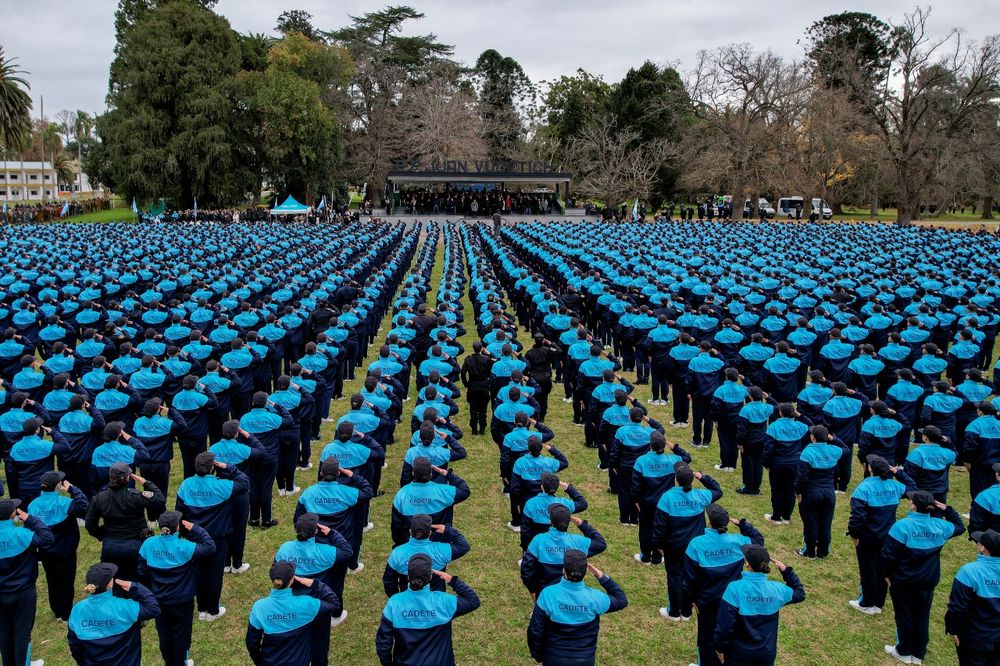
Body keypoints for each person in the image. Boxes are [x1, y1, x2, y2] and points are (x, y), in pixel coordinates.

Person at [880, 490, 965, 664]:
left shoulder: (902, 526)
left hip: (903, 580)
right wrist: (948, 510)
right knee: (922, 615)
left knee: (904, 615)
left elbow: (888, 556)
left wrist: (886, 575)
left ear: (913, 505)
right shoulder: (940, 526)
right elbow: (960, 526)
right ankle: (918, 653)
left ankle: (903, 651)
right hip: (927, 579)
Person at [683, 505, 764, 666]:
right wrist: (742, 524)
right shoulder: (739, 541)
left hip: (707, 601)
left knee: (706, 637)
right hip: (732, 601)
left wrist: (691, 600)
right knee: (728, 633)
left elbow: (689, 578)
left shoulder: (697, 544)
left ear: (709, 522)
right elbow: (758, 541)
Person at [175, 451, 249, 622]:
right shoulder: (221, 486)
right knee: (215, 575)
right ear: (212, 467)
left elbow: (179, 512)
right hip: (217, 538)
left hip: (195, 538)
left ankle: (202, 609)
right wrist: (228, 467)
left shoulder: (186, 485)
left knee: (199, 573)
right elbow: (244, 482)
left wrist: (184, 534)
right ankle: (213, 610)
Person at [137, 511, 216, 666]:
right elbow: (210, 546)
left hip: (159, 599)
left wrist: (150, 590)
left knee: (164, 634)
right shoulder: (184, 546)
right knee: (182, 635)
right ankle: (180, 662)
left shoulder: (148, 544)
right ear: (177, 528)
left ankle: (169, 661)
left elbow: (141, 570)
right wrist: (195, 528)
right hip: (182, 601)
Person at [375, 553, 480, 666]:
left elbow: (383, 643)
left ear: (408, 577)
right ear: (430, 577)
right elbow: (473, 601)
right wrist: (451, 580)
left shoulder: (394, 603)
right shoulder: (444, 601)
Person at [526, 550, 628, 666]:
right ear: (586, 571)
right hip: (584, 660)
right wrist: (600, 576)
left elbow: (535, 630)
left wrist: (539, 656)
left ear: (563, 570)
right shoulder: (595, 597)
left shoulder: (548, 595)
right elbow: (621, 599)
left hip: (553, 657)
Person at [713, 544, 805, 666]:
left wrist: (719, 648)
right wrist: (786, 571)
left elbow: (725, 626)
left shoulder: (734, 589)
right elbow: (800, 593)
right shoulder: (778, 590)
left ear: (747, 564)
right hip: (766, 653)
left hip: (738, 654)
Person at [652, 463, 722, 621]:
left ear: (676, 479)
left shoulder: (667, 498)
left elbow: (659, 526)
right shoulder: (700, 496)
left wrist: (658, 546)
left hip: (674, 546)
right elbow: (718, 490)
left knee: (675, 578)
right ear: (692, 479)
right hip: (695, 547)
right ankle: (687, 611)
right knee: (691, 578)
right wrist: (704, 477)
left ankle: (674, 612)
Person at [846, 455, 914, 615]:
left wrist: (855, 535)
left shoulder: (864, 488)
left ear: (870, 469)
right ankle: (878, 603)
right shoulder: (894, 487)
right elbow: (913, 487)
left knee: (868, 569)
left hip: (868, 537)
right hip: (888, 536)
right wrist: (898, 472)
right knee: (883, 568)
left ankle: (866, 602)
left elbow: (858, 516)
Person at [245, 561, 341, 666]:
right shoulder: (306, 604)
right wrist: (315, 583)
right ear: (292, 580)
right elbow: (334, 604)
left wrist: (259, 662)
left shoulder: (259, 607)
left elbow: (251, 642)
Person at [84, 462, 166, 581]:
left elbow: (90, 524)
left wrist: (103, 535)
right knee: (138, 581)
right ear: (127, 478)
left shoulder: (100, 498)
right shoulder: (135, 496)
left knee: (113, 580)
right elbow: (159, 499)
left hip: (111, 546)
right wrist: (145, 482)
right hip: (135, 545)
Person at [67, 563, 161, 666]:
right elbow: (153, 608)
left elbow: (74, 645)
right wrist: (134, 586)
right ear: (110, 583)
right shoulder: (124, 607)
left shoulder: (77, 610)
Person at [275, 512, 353, 630]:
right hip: (319, 596)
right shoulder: (326, 552)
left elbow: (276, 569)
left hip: (295, 597)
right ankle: (336, 616)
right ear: (316, 531)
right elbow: (348, 552)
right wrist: (332, 533)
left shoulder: (285, 548)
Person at [27, 471, 89, 622]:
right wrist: (73, 489)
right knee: (67, 581)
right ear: (58, 485)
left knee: (52, 579)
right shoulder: (64, 503)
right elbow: (84, 505)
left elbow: (30, 529)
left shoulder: (33, 505)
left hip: (45, 551)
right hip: (65, 550)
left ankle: (56, 609)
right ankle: (66, 612)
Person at [0, 498, 53, 666]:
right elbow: (47, 538)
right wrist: (31, 519)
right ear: (12, 514)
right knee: (22, 632)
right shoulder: (21, 535)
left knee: (4, 632)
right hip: (23, 592)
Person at [945, 529, 1000, 666]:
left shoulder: (970, 572)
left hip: (974, 638)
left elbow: (957, 608)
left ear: (983, 548)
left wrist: (952, 629)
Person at [794, 425, 848, 558]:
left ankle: (809, 551)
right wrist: (833, 439)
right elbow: (846, 449)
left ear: (812, 437)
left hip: (811, 492)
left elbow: (802, 477)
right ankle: (823, 552)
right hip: (829, 491)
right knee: (826, 522)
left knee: (810, 522)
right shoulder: (833, 450)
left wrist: (798, 492)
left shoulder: (808, 452)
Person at [383, 513, 470, 596]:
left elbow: (389, 580)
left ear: (410, 531)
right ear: (430, 533)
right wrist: (447, 529)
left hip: (408, 601)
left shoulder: (397, 553)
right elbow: (464, 546)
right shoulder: (441, 550)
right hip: (435, 602)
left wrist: (396, 598)